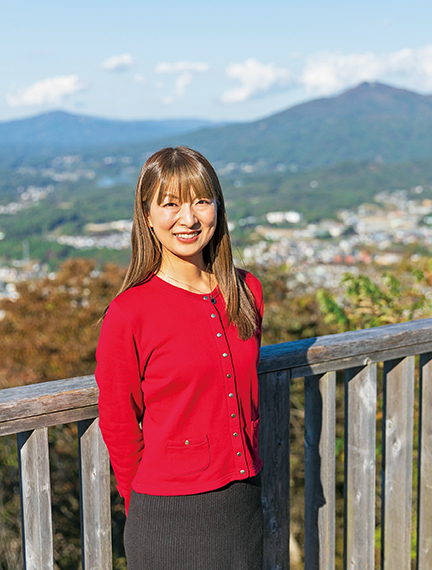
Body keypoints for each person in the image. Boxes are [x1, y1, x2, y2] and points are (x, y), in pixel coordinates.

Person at [95, 146, 264, 570]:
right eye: (170, 204)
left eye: (200, 201)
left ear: (218, 208)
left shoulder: (247, 293)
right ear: (147, 215)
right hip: (167, 514)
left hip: (243, 500)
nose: (188, 219)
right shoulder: (129, 312)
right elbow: (118, 420)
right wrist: (144, 506)